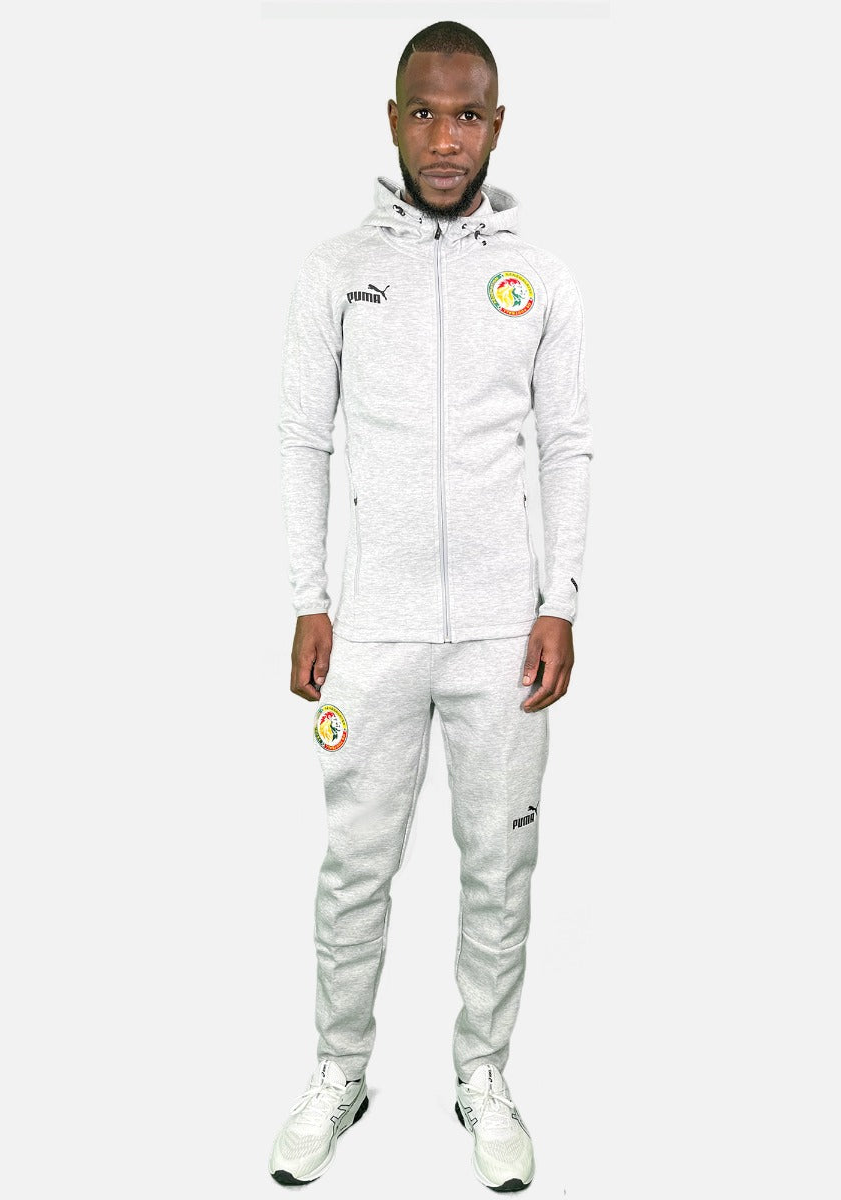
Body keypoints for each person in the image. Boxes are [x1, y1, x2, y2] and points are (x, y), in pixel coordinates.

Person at [269, 20, 593, 1193]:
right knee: (355, 866)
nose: (444, 138)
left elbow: (568, 446)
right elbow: (304, 440)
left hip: (505, 637)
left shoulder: (541, 278)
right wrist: (310, 597)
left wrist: (558, 603)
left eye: (466, 115)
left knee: (501, 867)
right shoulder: (336, 270)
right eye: (424, 112)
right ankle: (338, 1071)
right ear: (393, 120)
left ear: (496, 125)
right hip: (373, 633)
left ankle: (484, 1078)